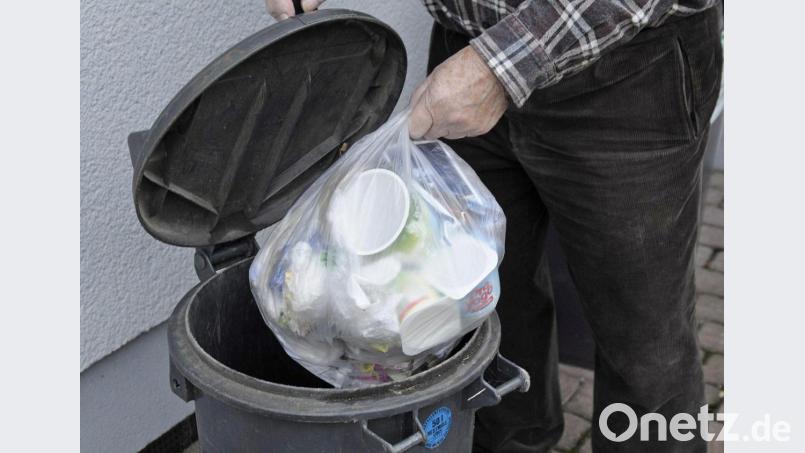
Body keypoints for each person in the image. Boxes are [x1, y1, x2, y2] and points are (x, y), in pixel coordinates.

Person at [266, 1, 723, 451]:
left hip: (626, 73)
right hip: (462, 54)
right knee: (483, 304)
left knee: (643, 342)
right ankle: (516, 441)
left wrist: (501, 68)